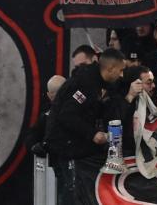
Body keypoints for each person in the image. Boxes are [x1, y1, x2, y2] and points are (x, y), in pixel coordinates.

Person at [45, 48, 127, 204]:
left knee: (80, 192)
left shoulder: (100, 83)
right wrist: (93, 134)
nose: (121, 75)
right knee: (72, 192)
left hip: (76, 145)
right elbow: (67, 115)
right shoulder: (86, 83)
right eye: (121, 70)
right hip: (65, 145)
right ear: (110, 69)